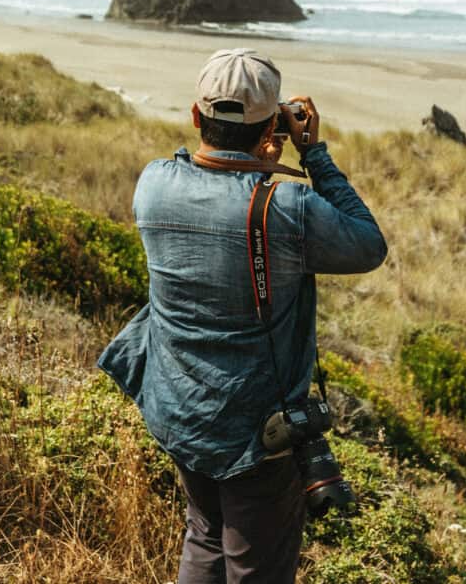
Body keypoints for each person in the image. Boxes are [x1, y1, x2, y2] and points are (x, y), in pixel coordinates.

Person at [98, 48, 388, 583]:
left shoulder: (154, 183)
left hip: (180, 408)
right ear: (271, 128)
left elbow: (206, 175)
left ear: (194, 116)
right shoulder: (286, 207)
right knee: (256, 566)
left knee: (205, 532)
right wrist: (314, 155)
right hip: (255, 431)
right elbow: (368, 245)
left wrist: (257, 148)